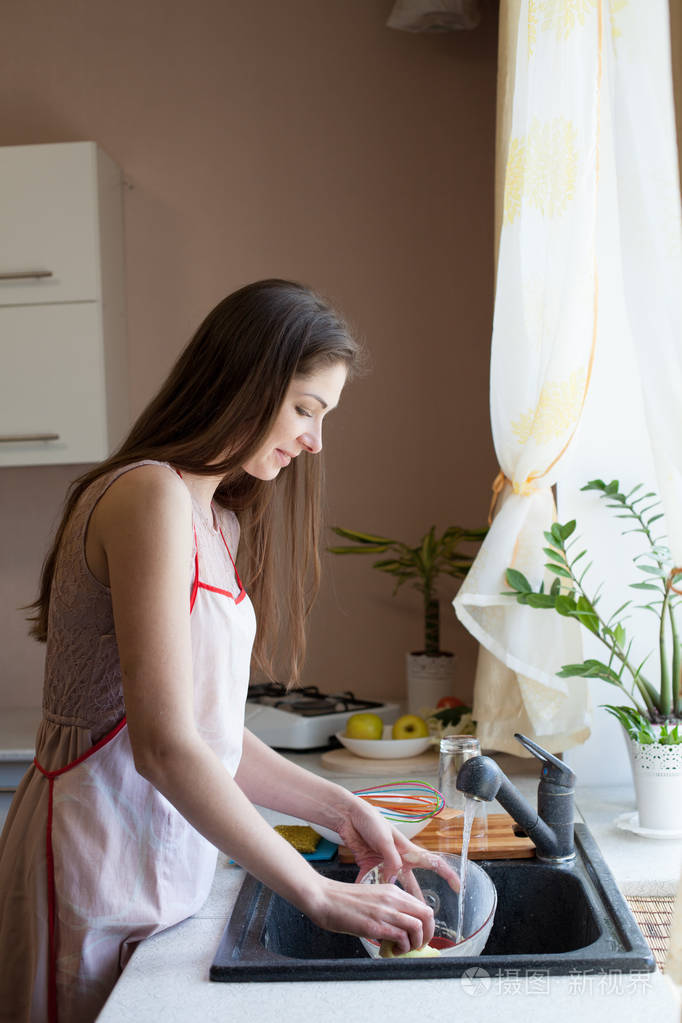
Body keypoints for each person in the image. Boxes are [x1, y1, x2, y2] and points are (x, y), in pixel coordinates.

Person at [0, 279, 453, 1023]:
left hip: (168, 867)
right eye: (306, 408)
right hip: (93, 862)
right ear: (248, 378)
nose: (315, 440)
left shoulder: (220, 523)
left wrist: (346, 810)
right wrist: (312, 890)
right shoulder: (148, 496)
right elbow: (166, 747)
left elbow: (212, 738)